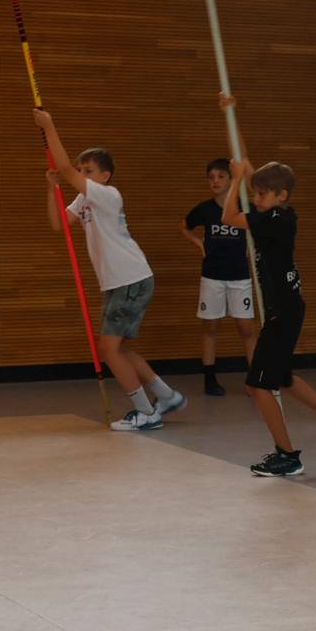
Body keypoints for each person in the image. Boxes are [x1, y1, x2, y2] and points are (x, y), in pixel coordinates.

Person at [34, 108, 184, 431]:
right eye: (80, 170)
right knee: (118, 348)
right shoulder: (84, 200)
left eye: (87, 170)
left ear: (105, 176)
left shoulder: (107, 195)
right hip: (119, 282)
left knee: (107, 349)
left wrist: (49, 127)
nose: (81, 174)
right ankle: (167, 395)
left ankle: (146, 412)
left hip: (131, 277)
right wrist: (51, 188)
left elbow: (64, 167)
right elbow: (59, 223)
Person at [219, 148, 316, 477]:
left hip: (283, 313)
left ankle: (287, 455)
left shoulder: (271, 221)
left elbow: (228, 217)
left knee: (258, 386)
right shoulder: (281, 214)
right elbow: (260, 184)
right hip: (287, 308)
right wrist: (246, 167)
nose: (256, 198)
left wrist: (235, 180)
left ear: (281, 195)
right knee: (283, 378)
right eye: (254, 193)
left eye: (261, 195)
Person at [180, 157, 257, 395]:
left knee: (246, 328)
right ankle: (210, 379)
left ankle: (254, 380)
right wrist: (198, 242)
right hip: (212, 276)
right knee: (211, 327)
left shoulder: (245, 208)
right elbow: (184, 226)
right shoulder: (205, 209)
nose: (215, 181)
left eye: (221, 176)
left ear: (232, 179)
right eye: (211, 177)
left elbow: (261, 228)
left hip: (240, 276)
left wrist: (252, 247)